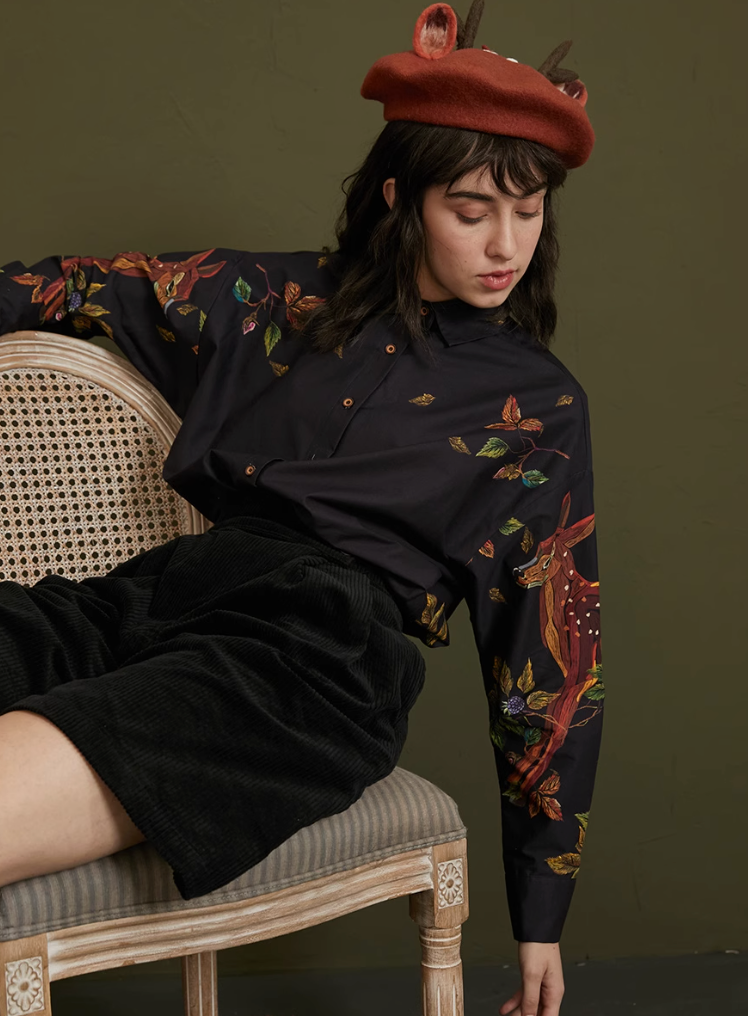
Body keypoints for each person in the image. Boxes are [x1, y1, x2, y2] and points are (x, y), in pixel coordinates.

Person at [0, 3, 603, 1014]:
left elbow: (550, 664)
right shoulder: (268, 301)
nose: (506, 244)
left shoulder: (539, 409)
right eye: (471, 211)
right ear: (400, 199)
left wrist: (541, 912)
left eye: (529, 210)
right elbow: (75, 287)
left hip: (319, 655)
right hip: (164, 593)